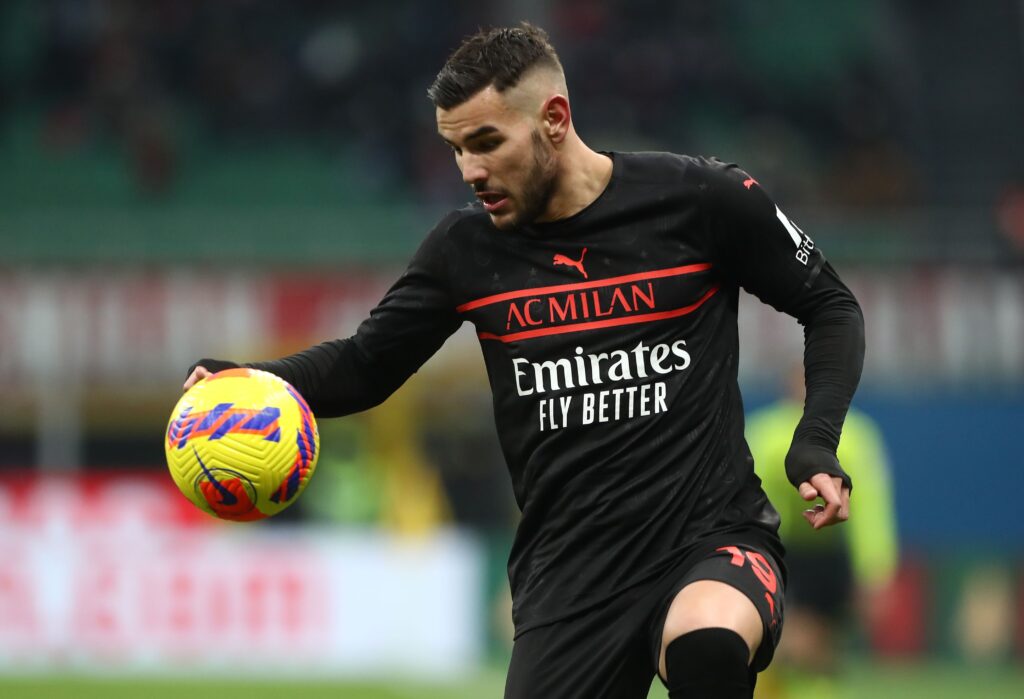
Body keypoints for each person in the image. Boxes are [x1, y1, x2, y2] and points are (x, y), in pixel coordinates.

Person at [183, 24, 865, 699]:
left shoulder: (700, 201)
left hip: (709, 536)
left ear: (554, 119)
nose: (470, 172)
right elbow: (366, 365)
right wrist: (254, 377)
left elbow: (831, 306)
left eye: (486, 143)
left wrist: (815, 439)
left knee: (706, 644)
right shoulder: (464, 251)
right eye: (455, 149)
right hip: (569, 573)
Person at [746, 366, 897, 699]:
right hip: (784, 552)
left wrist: (874, 572)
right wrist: (760, 560)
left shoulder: (856, 436)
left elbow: (870, 508)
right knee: (790, 640)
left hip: (830, 556)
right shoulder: (767, 433)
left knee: (819, 650)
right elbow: (755, 503)